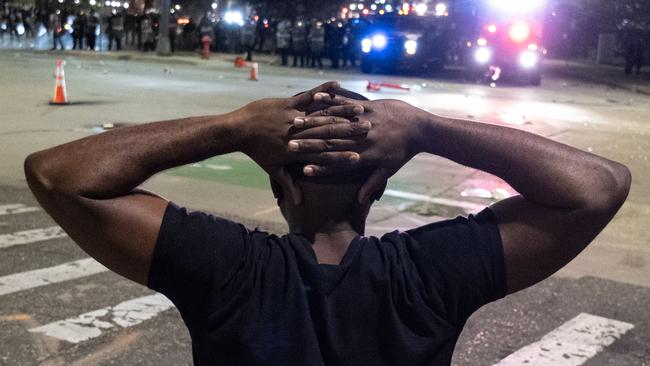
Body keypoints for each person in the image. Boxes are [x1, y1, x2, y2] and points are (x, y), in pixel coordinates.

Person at [24, 81, 630, 365]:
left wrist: (233, 127)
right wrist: (424, 128)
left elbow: (59, 175)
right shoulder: (428, 275)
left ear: (278, 186)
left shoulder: (229, 270)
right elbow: (598, 187)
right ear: (377, 187)